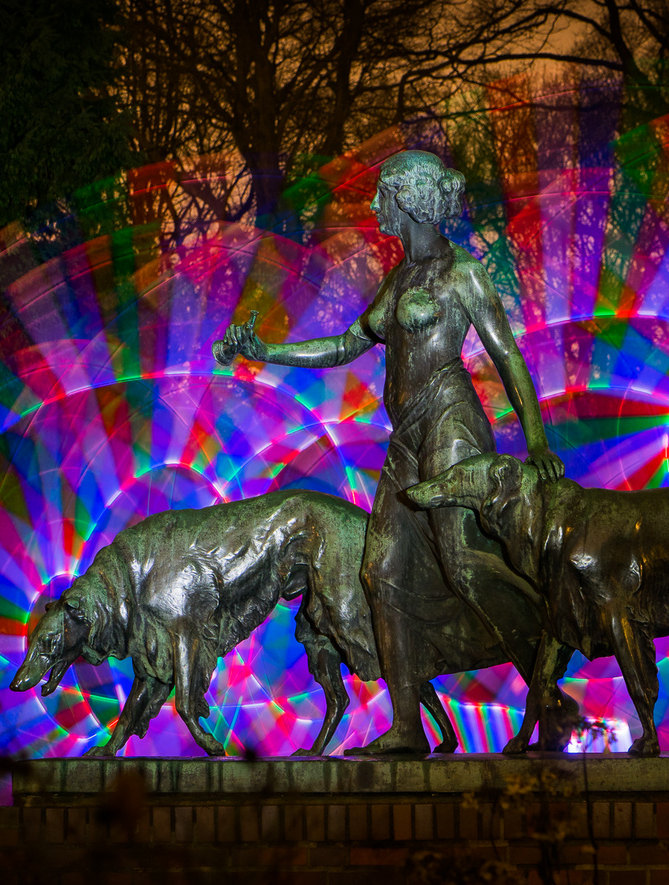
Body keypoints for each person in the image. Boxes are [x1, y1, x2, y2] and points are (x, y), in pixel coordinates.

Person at [216, 149, 570, 754]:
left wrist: (536, 440)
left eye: (383, 195)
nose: (376, 205)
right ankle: (407, 726)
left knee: (460, 560)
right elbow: (343, 346)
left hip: (451, 420)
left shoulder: (463, 274)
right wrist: (267, 352)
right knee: (382, 571)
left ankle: (549, 656)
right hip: (407, 431)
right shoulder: (398, 280)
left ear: (407, 199)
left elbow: (507, 354)